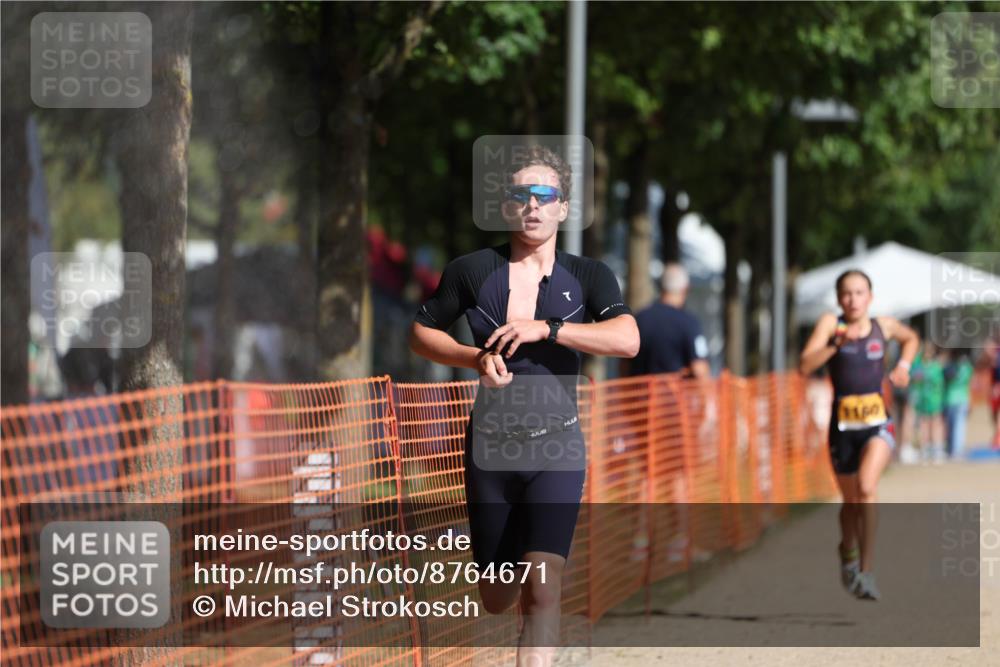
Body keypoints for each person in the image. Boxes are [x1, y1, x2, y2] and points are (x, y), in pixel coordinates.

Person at [409, 145, 639, 665]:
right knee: (498, 596)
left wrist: (550, 329)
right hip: (490, 451)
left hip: (557, 447)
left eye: (544, 195)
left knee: (544, 585)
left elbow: (628, 339)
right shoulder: (472, 270)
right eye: (520, 195)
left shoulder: (588, 276)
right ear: (506, 205)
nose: (532, 205)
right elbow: (420, 332)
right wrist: (473, 358)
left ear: (563, 207)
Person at [799, 269, 919, 601]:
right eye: (847, 293)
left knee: (867, 487)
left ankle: (866, 572)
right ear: (839, 299)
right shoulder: (830, 325)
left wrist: (903, 367)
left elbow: (912, 339)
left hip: (878, 423)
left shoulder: (884, 325)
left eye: (859, 292)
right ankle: (847, 551)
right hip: (842, 430)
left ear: (870, 296)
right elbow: (806, 364)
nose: (853, 299)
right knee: (850, 503)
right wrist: (836, 344)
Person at [627, 262, 710, 379]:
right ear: (685, 288)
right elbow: (700, 369)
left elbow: (625, 364)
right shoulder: (689, 322)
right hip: (675, 396)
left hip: (640, 395)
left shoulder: (639, 318)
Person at [911, 341, 947, 464]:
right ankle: (927, 450)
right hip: (925, 399)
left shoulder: (932, 366)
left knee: (933, 424)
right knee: (926, 425)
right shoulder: (923, 366)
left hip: (933, 399)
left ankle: (935, 449)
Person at [942, 348, 974, 460]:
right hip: (959, 399)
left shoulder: (949, 367)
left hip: (952, 399)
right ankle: (956, 450)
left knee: (953, 426)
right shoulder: (967, 366)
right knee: (958, 426)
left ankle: (954, 450)